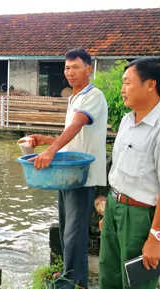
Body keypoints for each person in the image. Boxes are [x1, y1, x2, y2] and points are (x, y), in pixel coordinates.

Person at [99, 58, 160, 289]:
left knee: (137, 283)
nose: (122, 89)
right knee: (109, 277)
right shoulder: (127, 121)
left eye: (127, 82)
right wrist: (110, 214)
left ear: (150, 85)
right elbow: (119, 172)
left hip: (140, 217)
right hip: (115, 208)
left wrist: (155, 238)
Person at [28, 48, 108, 289]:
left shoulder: (93, 96)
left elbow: (76, 125)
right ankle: (72, 276)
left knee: (75, 230)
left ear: (89, 69)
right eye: (67, 67)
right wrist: (45, 141)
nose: (69, 72)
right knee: (65, 226)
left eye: (75, 67)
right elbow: (73, 139)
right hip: (68, 172)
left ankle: (72, 282)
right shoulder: (74, 98)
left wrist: (51, 152)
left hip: (83, 174)